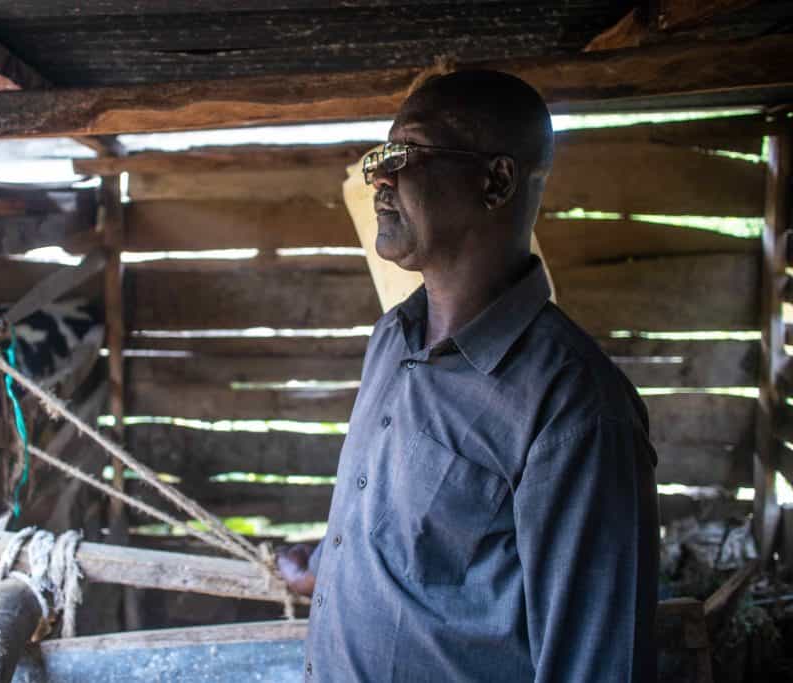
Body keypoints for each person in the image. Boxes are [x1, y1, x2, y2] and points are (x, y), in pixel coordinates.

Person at [277, 70, 660, 682]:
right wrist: (324, 560)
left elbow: (596, 664)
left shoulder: (574, 409)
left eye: (409, 153)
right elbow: (420, 534)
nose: (380, 177)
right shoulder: (392, 339)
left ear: (495, 181)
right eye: (381, 157)